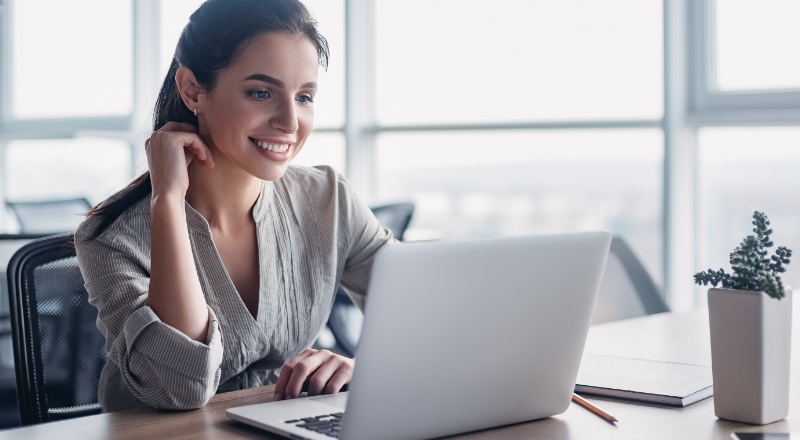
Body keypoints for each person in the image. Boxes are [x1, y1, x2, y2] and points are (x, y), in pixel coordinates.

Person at [74, 0, 393, 412]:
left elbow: (428, 317)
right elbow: (180, 387)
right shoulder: (111, 239)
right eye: (261, 93)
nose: (290, 123)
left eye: (304, 97)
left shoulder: (329, 200)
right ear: (191, 89)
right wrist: (167, 200)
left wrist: (358, 367)